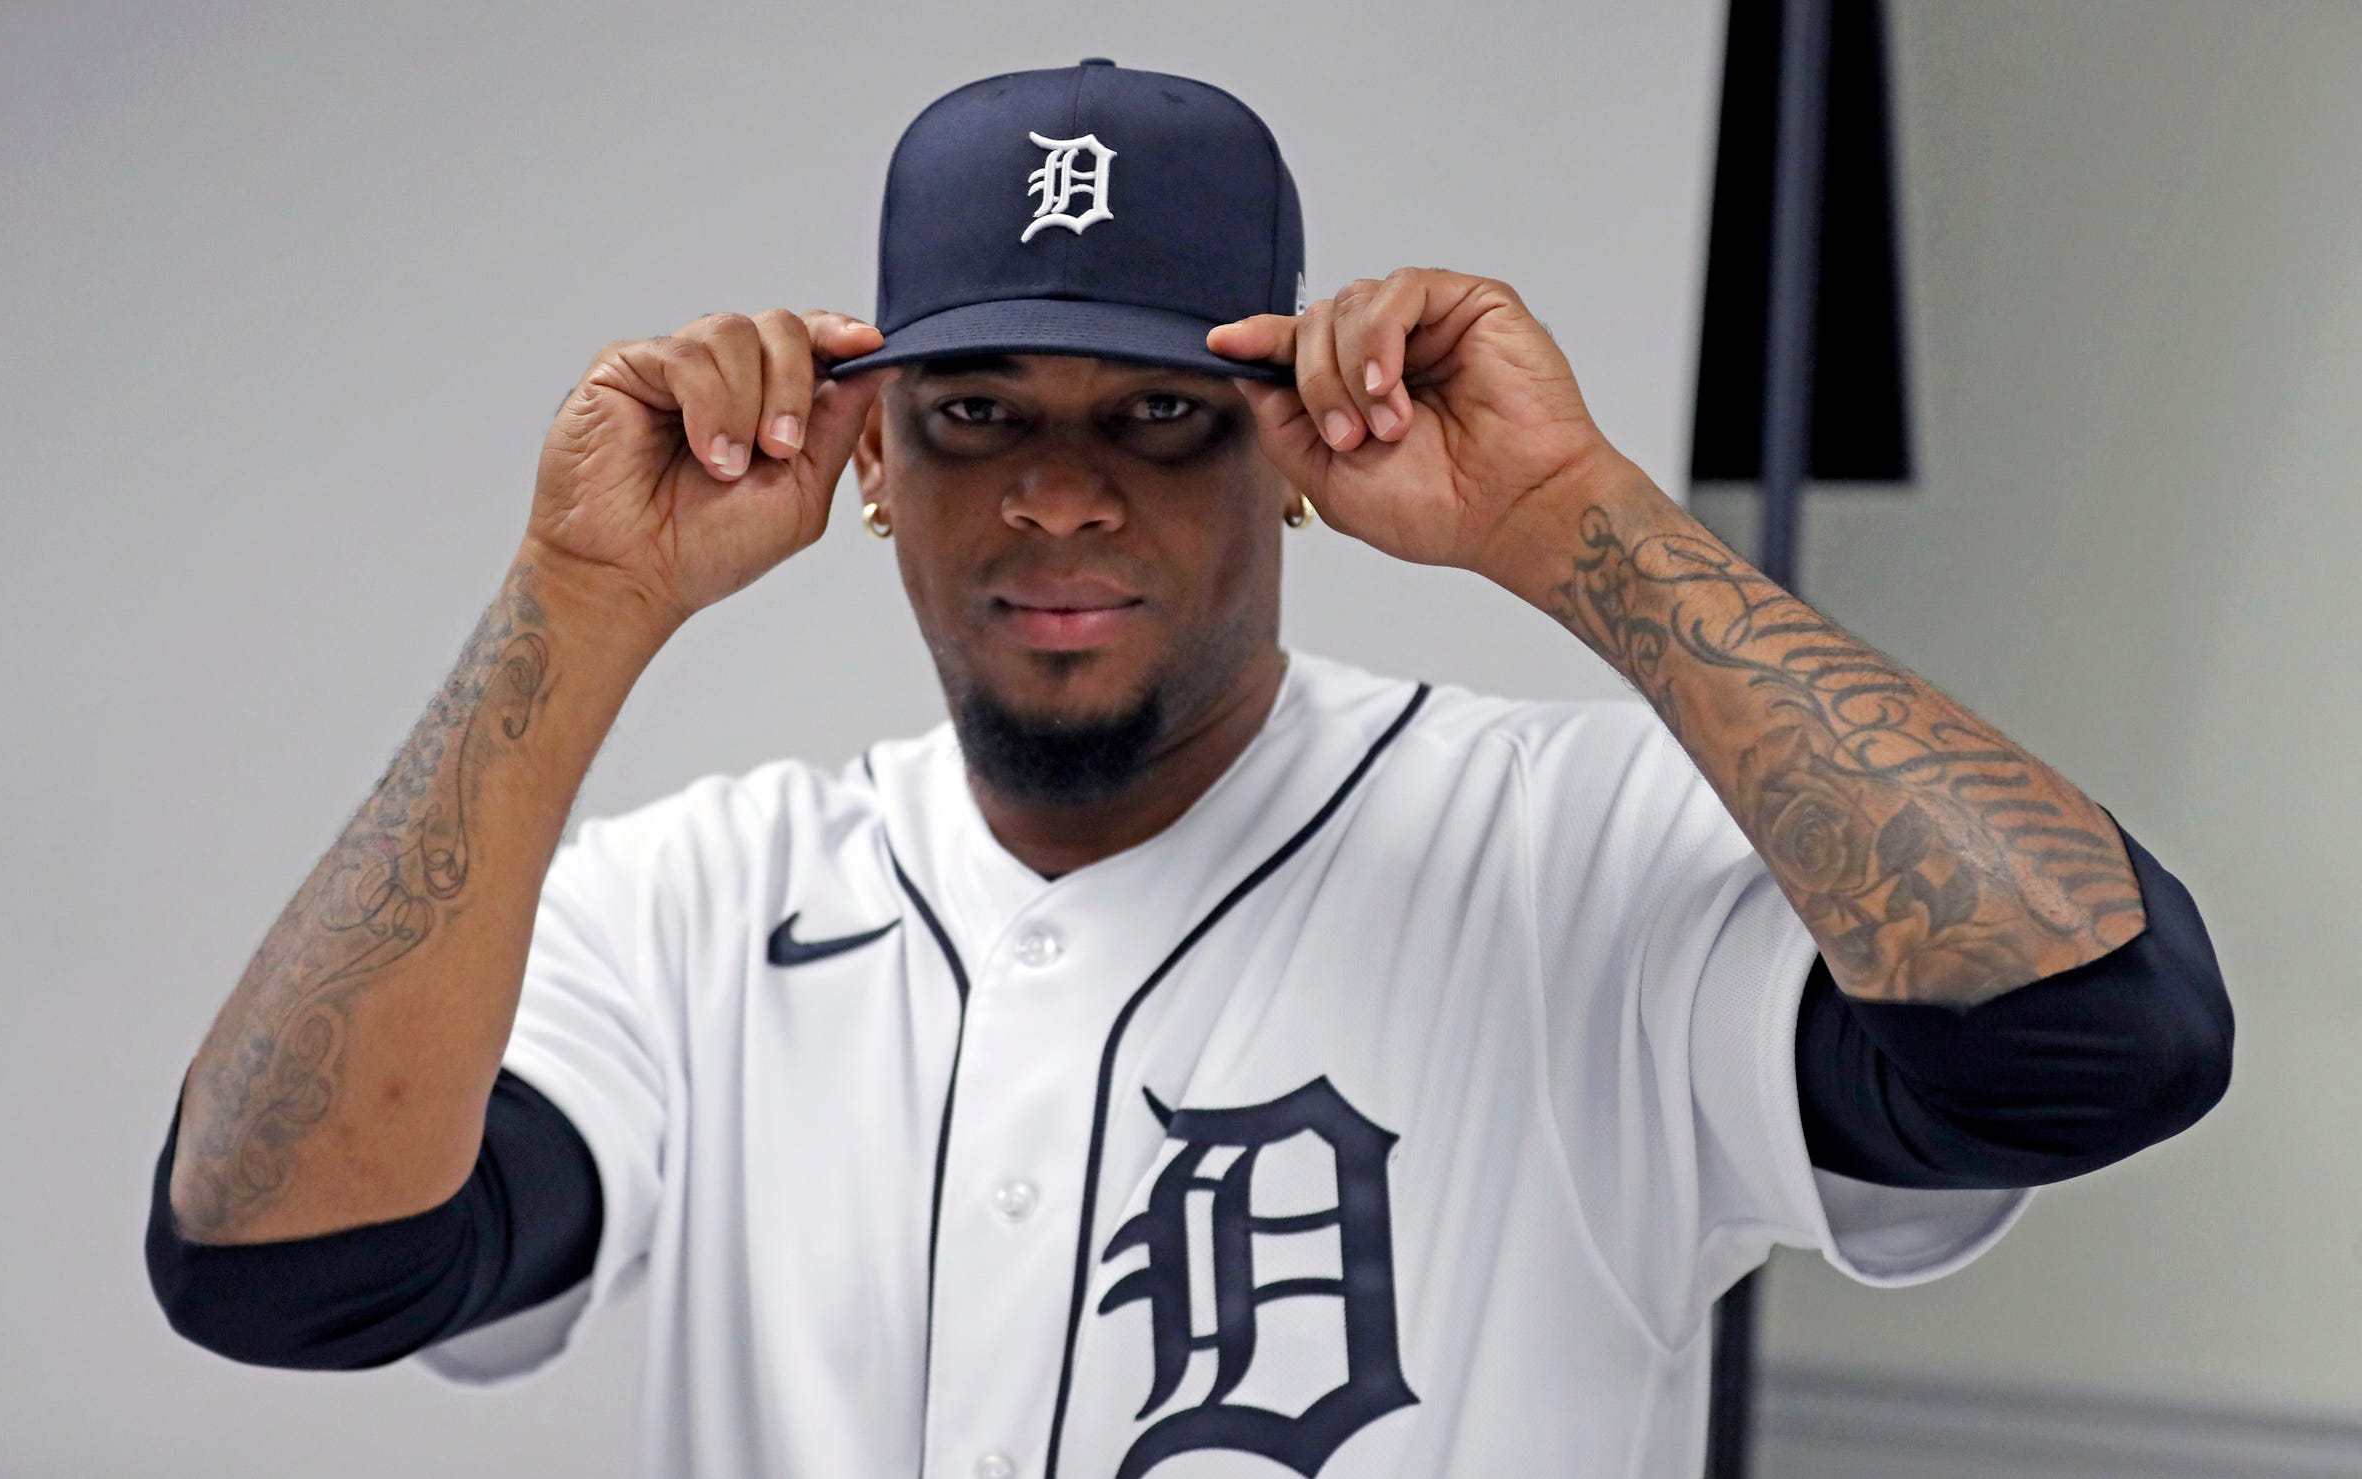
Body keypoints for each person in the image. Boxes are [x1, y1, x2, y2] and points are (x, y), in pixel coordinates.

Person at [145, 59, 2231, 1478]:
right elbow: (278, 1262)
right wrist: (573, 605)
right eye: (979, 412)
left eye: (1152, 417)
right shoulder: (686, 904)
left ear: (1294, 447)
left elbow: (2096, 1035)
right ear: (872, 462)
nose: (1059, 499)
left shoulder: (1579, 851)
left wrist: (1575, 514)